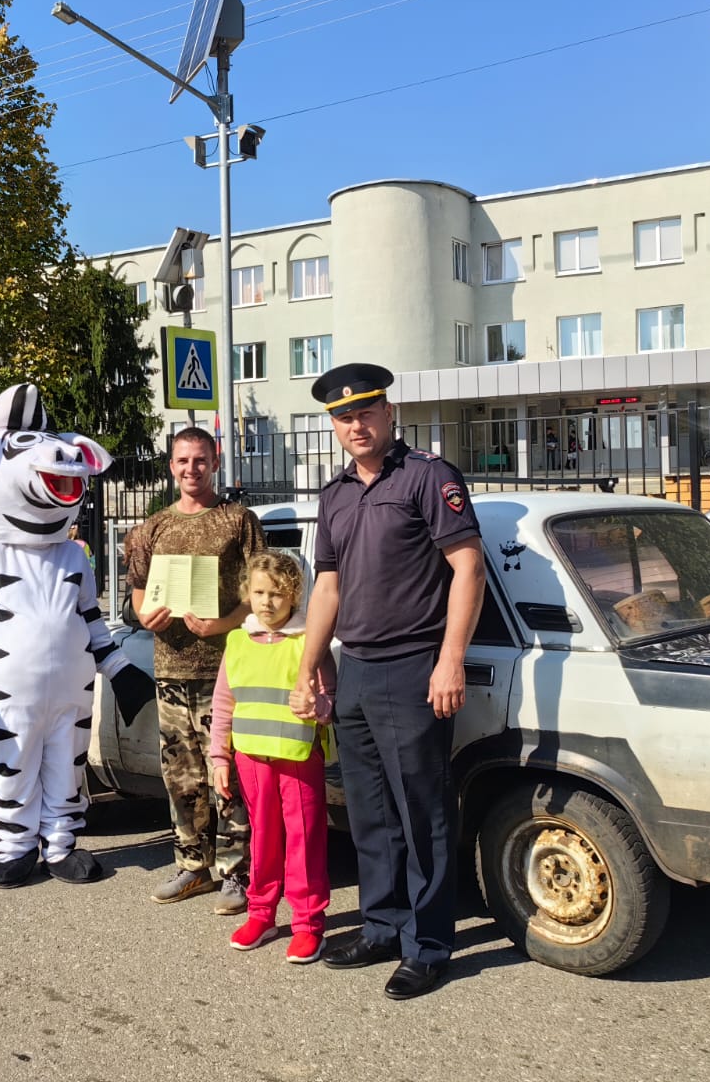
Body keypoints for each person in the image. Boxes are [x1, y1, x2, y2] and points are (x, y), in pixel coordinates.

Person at [295, 363, 485, 1001]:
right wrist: (310, 666)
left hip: (414, 669)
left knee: (423, 811)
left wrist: (450, 658)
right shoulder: (335, 494)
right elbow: (328, 587)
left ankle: (428, 945)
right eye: (344, 417)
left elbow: (467, 569)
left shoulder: (429, 477)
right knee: (371, 813)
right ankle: (382, 926)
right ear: (334, 424)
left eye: (366, 412)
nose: (356, 425)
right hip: (356, 669)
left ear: (388, 412)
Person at [124, 427, 266, 913]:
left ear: (215, 462)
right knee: (181, 776)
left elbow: (263, 593)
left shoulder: (237, 521)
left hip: (224, 669)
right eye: (183, 460)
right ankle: (192, 866)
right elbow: (139, 590)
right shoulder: (153, 528)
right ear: (171, 465)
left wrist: (223, 623)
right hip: (171, 669)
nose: (191, 469)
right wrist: (145, 616)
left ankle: (236, 872)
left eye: (200, 460)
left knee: (225, 774)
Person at [209, 551, 336, 963]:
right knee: (262, 839)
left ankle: (307, 923)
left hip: (298, 756)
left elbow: (330, 697)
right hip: (251, 758)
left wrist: (320, 707)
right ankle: (261, 913)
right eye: (259, 592)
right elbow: (224, 703)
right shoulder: (237, 640)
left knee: (304, 841)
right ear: (247, 592)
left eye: (277, 594)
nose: (267, 602)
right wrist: (219, 758)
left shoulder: (309, 642)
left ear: (295, 595)